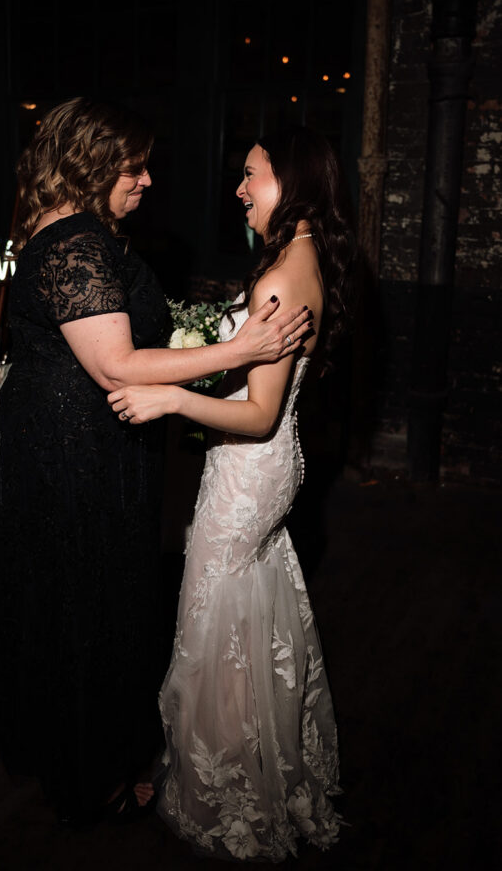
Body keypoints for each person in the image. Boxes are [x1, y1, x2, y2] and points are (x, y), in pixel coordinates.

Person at [0, 98, 312, 826]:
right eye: (136, 166)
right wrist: (243, 349)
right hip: (76, 450)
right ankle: (90, 775)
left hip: (73, 439)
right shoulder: (74, 241)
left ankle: (77, 752)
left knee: (75, 594)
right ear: (94, 163)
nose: (150, 179)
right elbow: (118, 363)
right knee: (84, 599)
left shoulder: (74, 232)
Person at [108, 125, 354, 860]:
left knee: (211, 624)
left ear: (294, 181)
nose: (240, 191)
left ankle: (229, 793)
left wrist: (172, 400)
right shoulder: (296, 257)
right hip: (269, 468)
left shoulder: (282, 275)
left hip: (250, 467)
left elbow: (257, 413)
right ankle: (261, 771)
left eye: (253, 176)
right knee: (248, 615)